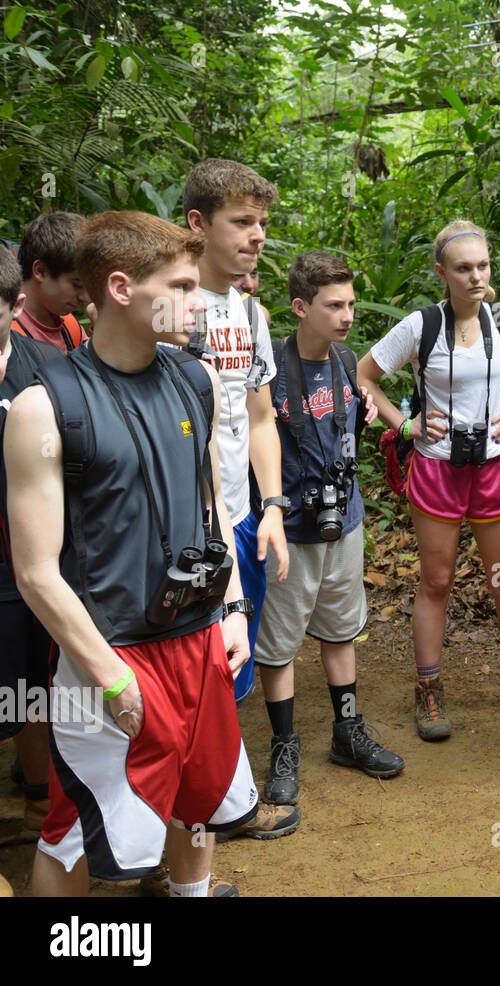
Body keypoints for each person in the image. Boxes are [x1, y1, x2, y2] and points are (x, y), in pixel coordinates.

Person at [5, 210, 261, 897]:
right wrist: (111, 680)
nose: (195, 300)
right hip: (108, 652)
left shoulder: (195, 381)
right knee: (73, 830)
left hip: (200, 639)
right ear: (121, 288)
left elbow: (212, 511)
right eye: (179, 285)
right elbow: (35, 573)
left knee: (197, 799)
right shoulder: (44, 407)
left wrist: (234, 608)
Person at [358, 219, 500, 740]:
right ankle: (429, 689)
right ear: (442, 272)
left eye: (482, 266)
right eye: (463, 268)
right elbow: (364, 374)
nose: (476, 277)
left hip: (495, 466)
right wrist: (405, 425)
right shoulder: (421, 327)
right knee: (437, 582)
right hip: (437, 467)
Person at [255, 252, 401, 804]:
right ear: (301, 307)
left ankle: (347, 731)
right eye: (333, 306)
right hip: (289, 526)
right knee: (280, 645)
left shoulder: (346, 360)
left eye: (351, 305)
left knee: (341, 631)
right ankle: (284, 745)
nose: (346, 316)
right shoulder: (269, 365)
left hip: (344, 521)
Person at [182, 158, 299, 838]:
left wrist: (274, 508)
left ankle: (221, 802)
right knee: (189, 669)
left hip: (240, 513)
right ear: (198, 224)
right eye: (241, 222)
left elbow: (259, 418)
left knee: (232, 664)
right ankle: (202, 817)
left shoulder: (249, 311)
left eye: (262, 222)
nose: (257, 236)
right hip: (184, 528)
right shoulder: (169, 306)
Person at [0, 248, 60, 841]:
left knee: (33, 691)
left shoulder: (44, 368)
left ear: (14, 306)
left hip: (35, 560)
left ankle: (44, 805)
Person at [11, 211, 90, 353]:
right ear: (40, 271)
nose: (85, 298)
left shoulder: (70, 327)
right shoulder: (6, 334)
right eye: (76, 284)